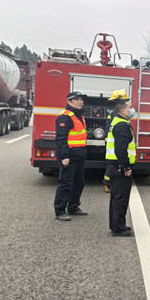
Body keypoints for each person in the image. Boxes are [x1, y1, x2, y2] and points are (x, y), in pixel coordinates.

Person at [54, 91, 88, 221]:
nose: (80, 102)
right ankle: (59, 210)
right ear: (69, 102)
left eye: (81, 100)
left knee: (79, 183)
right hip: (69, 157)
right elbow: (61, 139)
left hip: (79, 156)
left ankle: (73, 207)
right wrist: (64, 156)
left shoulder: (79, 116)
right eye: (77, 99)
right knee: (65, 184)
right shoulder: (65, 117)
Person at [105, 96, 136, 236]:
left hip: (115, 167)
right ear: (123, 110)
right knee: (121, 198)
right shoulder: (123, 125)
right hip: (120, 168)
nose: (132, 109)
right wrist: (127, 167)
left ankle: (117, 225)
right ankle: (118, 228)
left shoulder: (117, 121)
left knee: (117, 197)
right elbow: (121, 150)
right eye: (130, 107)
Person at [102, 89, 128, 192]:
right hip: (114, 141)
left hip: (111, 141)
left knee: (112, 164)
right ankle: (108, 184)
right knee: (113, 164)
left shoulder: (113, 111)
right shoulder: (116, 113)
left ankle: (109, 183)